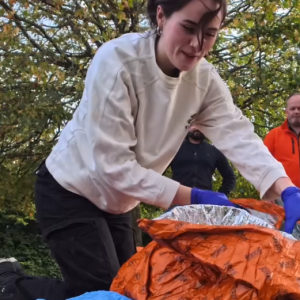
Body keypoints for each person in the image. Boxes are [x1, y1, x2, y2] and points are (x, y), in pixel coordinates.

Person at [1, 0, 300, 299]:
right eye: (188, 28)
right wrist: (194, 197)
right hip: (71, 189)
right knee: (103, 294)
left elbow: (239, 135)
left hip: (122, 202)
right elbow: (114, 166)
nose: (197, 45)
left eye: (209, 33)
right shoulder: (117, 62)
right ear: (161, 15)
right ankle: (9, 284)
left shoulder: (204, 80)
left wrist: (285, 187)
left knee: (135, 287)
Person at [170, 126, 236, 195]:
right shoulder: (175, 149)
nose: (197, 128)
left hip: (204, 201)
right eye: (194, 124)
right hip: (178, 198)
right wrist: (167, 195)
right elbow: (159, 171)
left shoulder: (213, 151)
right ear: (188, 126)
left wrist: (219, 196)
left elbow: (230, 177)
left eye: (201, 125)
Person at [264, 93, 300, 207]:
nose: (296, 111)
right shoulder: (274, 135)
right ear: (286, 111)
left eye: (299, 108)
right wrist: (266, 192)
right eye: (292, 108)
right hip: (282, 195)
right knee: (284, 225)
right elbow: (263, 165)